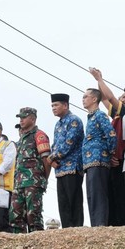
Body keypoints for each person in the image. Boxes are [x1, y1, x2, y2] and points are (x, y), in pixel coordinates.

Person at [90, 68, 125, 226]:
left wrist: (99, 79)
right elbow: (105, 99)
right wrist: (100, 83)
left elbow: (110, 97)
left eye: (124, 97)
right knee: (113, 191)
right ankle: (114, 223)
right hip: (117, 158)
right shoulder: (120, 114)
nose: (121, 99)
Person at [9, 107, 51, 233]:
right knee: (15, 215)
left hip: (33, 182)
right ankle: (18, 245)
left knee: (33, 216)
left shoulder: (39, 135)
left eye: (24, 117)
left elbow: (46, 160)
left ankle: (37, 246)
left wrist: (44, 178)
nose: (21, 120)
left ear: (32, 119)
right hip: (19, 182)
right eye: (20, 118)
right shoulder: (22, 138)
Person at [48, 94, 85, 228]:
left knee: (73, 200)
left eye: (56, 105)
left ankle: (77, 228)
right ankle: (67, 229)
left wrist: (52, 157)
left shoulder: (74, 120)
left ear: (65, 105)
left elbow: (69, 143)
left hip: (73, 166)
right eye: (52, 105)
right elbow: (55, 145)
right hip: (60, 168)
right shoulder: (58, 124)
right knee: (63, 202)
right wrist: (52, 159)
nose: (53, 108)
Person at [82, 88, 117, 226]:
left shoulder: (100, 115)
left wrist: (110, 154)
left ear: (94, 99)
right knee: (91, 194)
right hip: (89, 161)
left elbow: (111, 134)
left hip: (99, 160)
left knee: (98, 193)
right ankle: (95, 223)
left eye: (86, 96)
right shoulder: (90, 117)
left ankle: (100, 224)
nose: (83, 99)